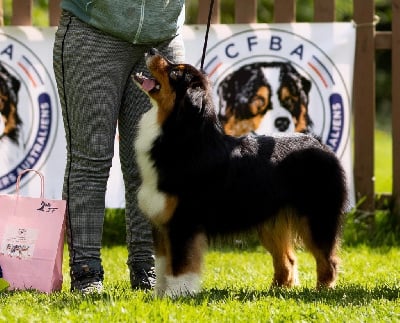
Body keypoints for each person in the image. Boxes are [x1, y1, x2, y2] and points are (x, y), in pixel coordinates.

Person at [53, 1, 186, 293]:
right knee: (91, 159)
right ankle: (86, 273)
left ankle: (146, 269)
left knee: (151, 165)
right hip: (93, 31)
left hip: (162, 36)